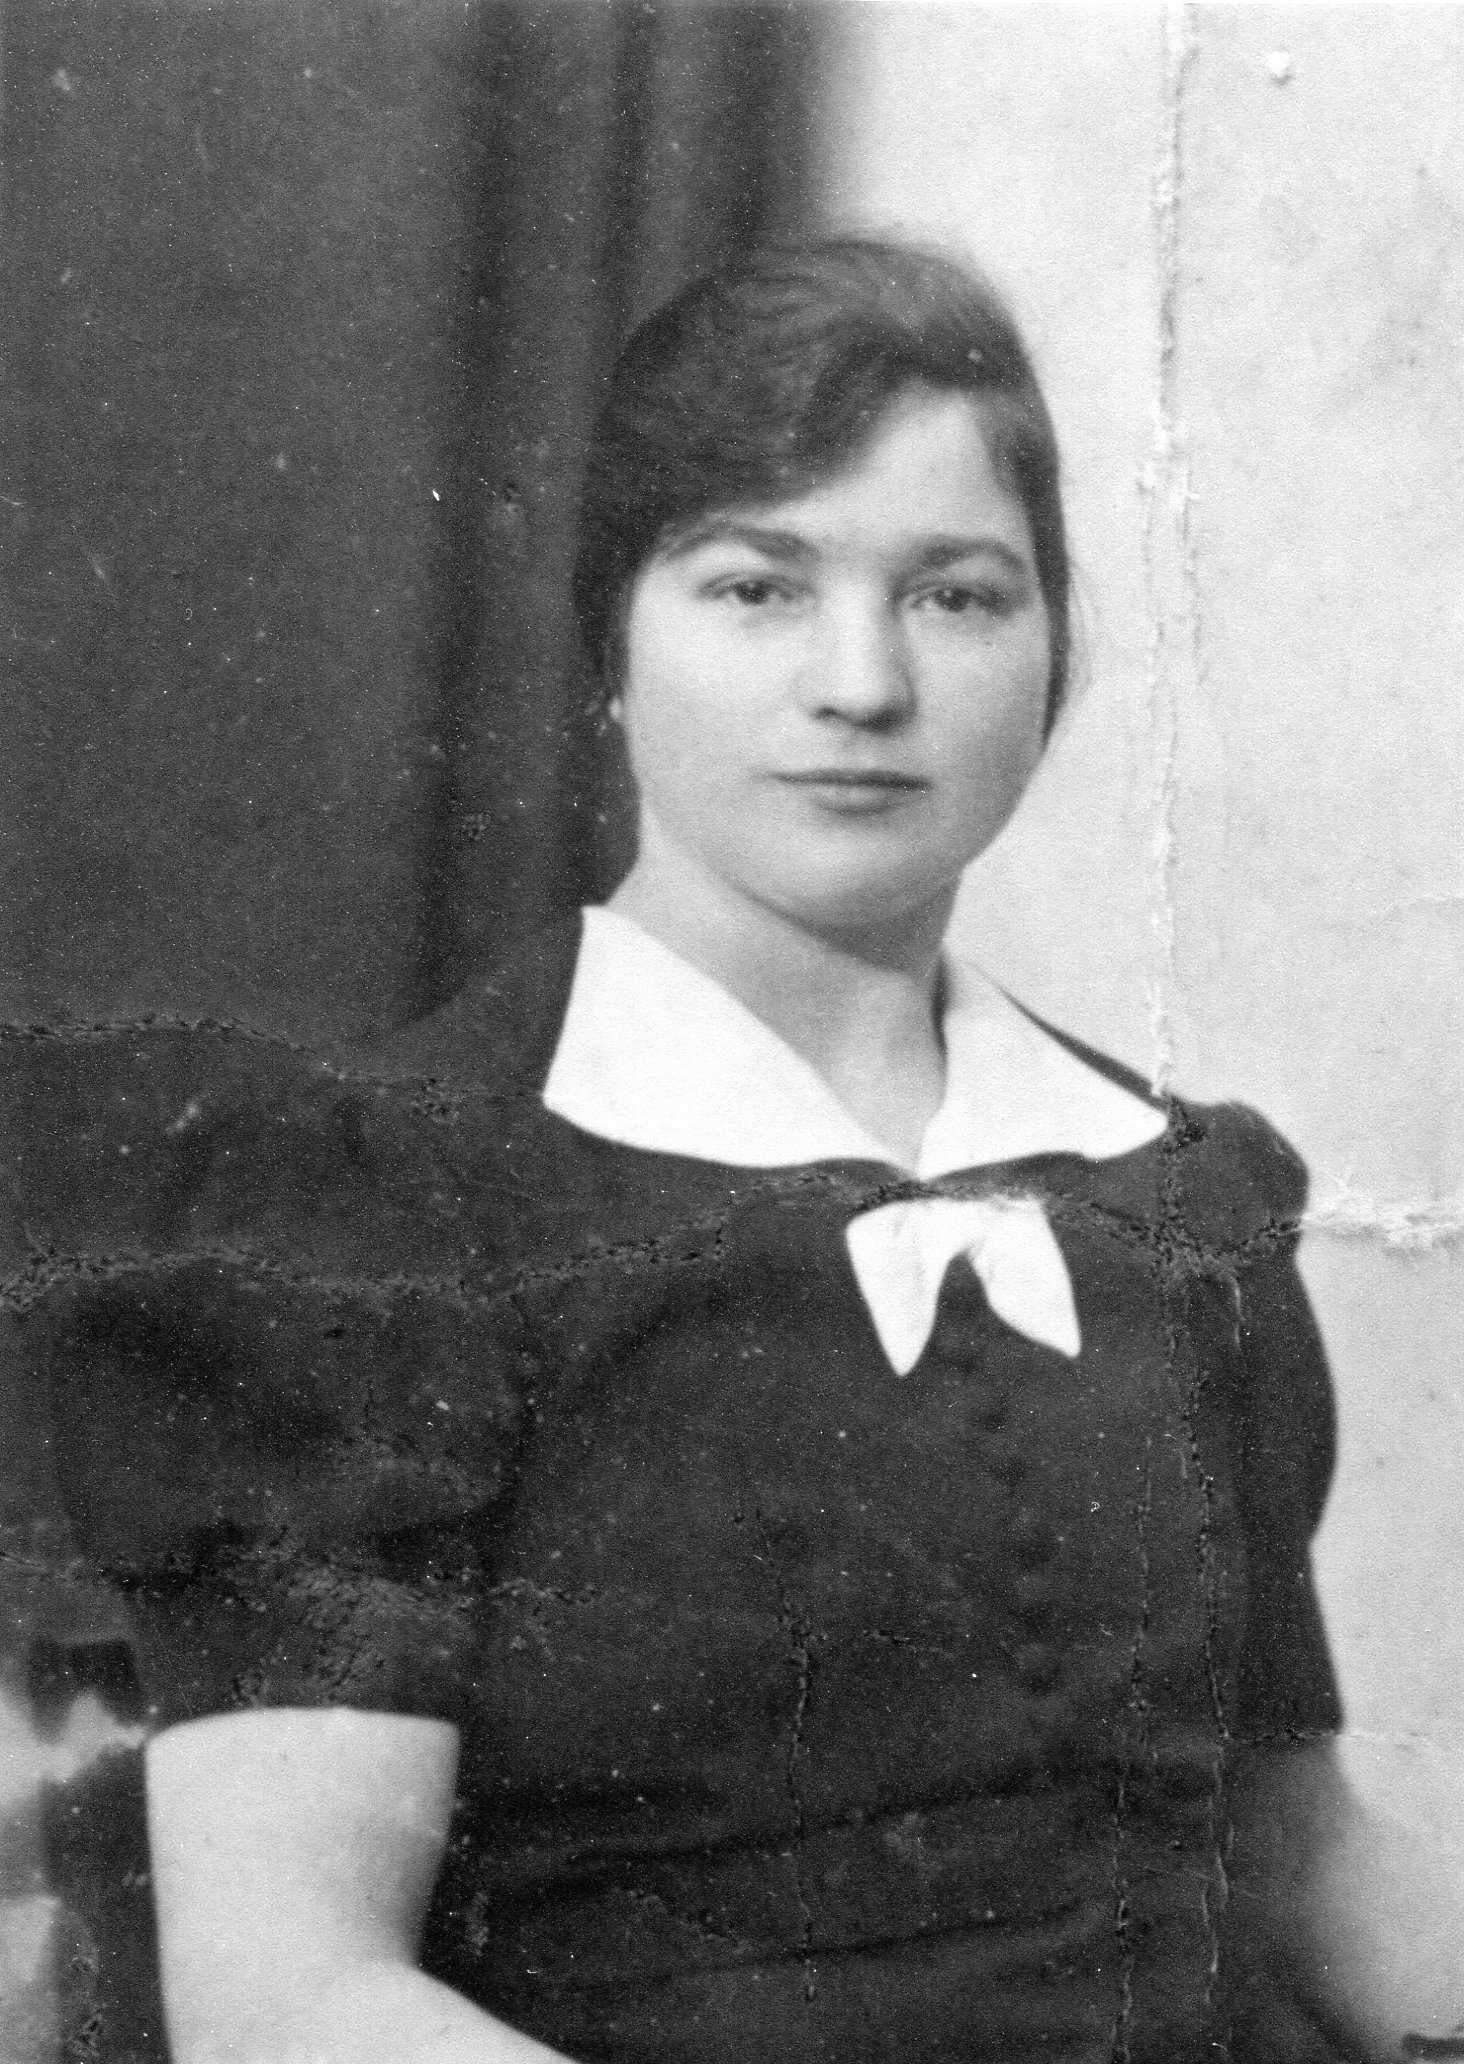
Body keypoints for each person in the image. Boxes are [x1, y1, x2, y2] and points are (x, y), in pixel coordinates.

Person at [32, 239, 1464, 2064]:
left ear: (1055, 651)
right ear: (613, 651)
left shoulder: (1176, 1201)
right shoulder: (373, 1213)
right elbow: (288, 1998)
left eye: (955, 595)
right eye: (755, 588)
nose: (861, 683)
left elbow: (1299, 1865)